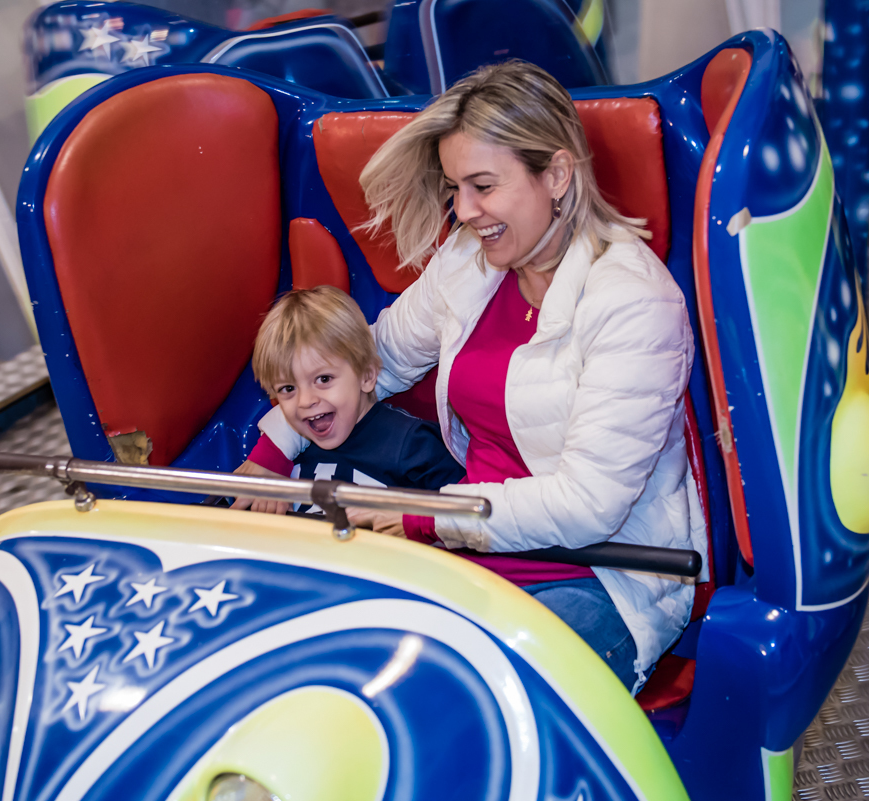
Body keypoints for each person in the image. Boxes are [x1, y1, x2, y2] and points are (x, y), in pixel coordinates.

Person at [243, 60, 707, 693]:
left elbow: (588, 505)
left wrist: (432, 516)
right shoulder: (470, 262)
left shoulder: (632, 301)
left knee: (464, 698)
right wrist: (275, 447)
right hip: (467, 546)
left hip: (599, 572)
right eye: (455, 188)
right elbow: (367, 358)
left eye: (482, 186)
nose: (462, 211)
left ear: (558, 175)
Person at [232, 286, 464, 514]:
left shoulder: (413, 444)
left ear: (367, 375)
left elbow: (465, 522)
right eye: (288, 388)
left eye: (323, 379)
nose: (305, 401)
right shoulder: (285, 457)